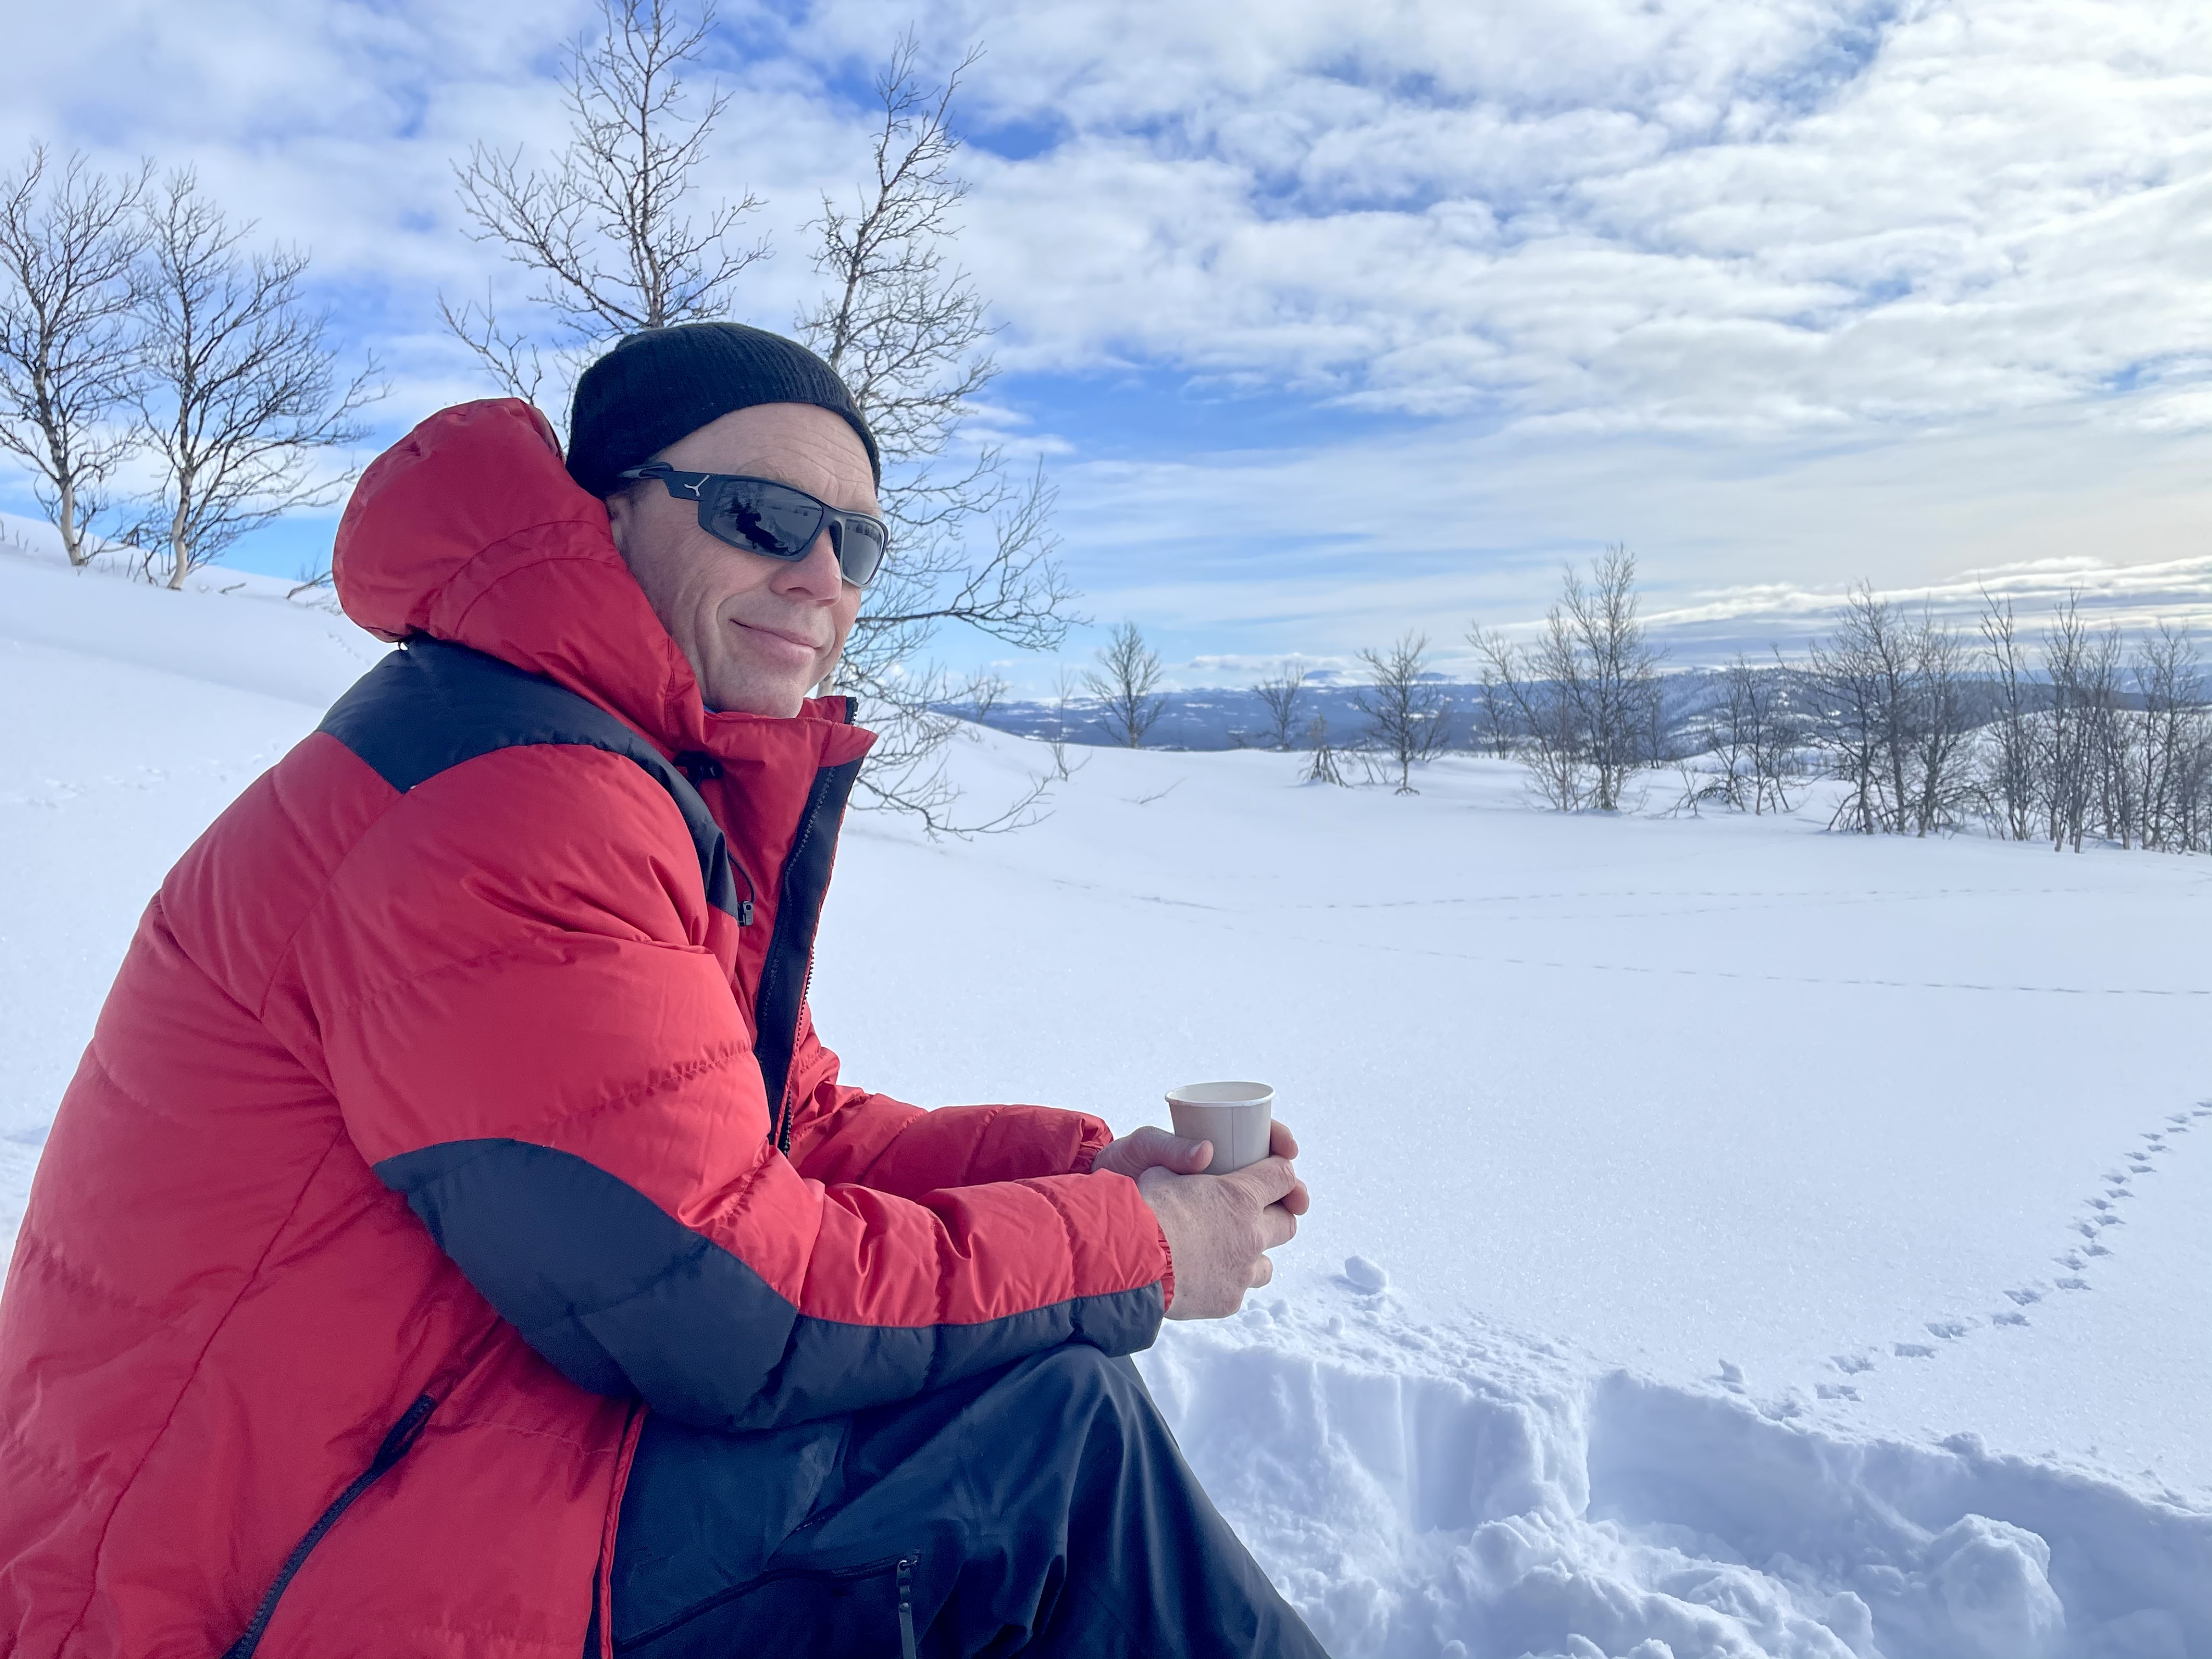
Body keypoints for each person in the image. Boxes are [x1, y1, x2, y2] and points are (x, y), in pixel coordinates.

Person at [0, 322, 1325, 1658]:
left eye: (855, 544)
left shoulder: (595, 764)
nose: (818, 577)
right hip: (232, 1583)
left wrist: (1088, 1175)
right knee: (1044, 1443)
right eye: (763, 515)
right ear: (610, 511)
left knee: (1020, 1413)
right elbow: (738, 1307)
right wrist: (1139, 1249)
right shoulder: (508, 806)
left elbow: (785, 1130)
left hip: (407, 1451)